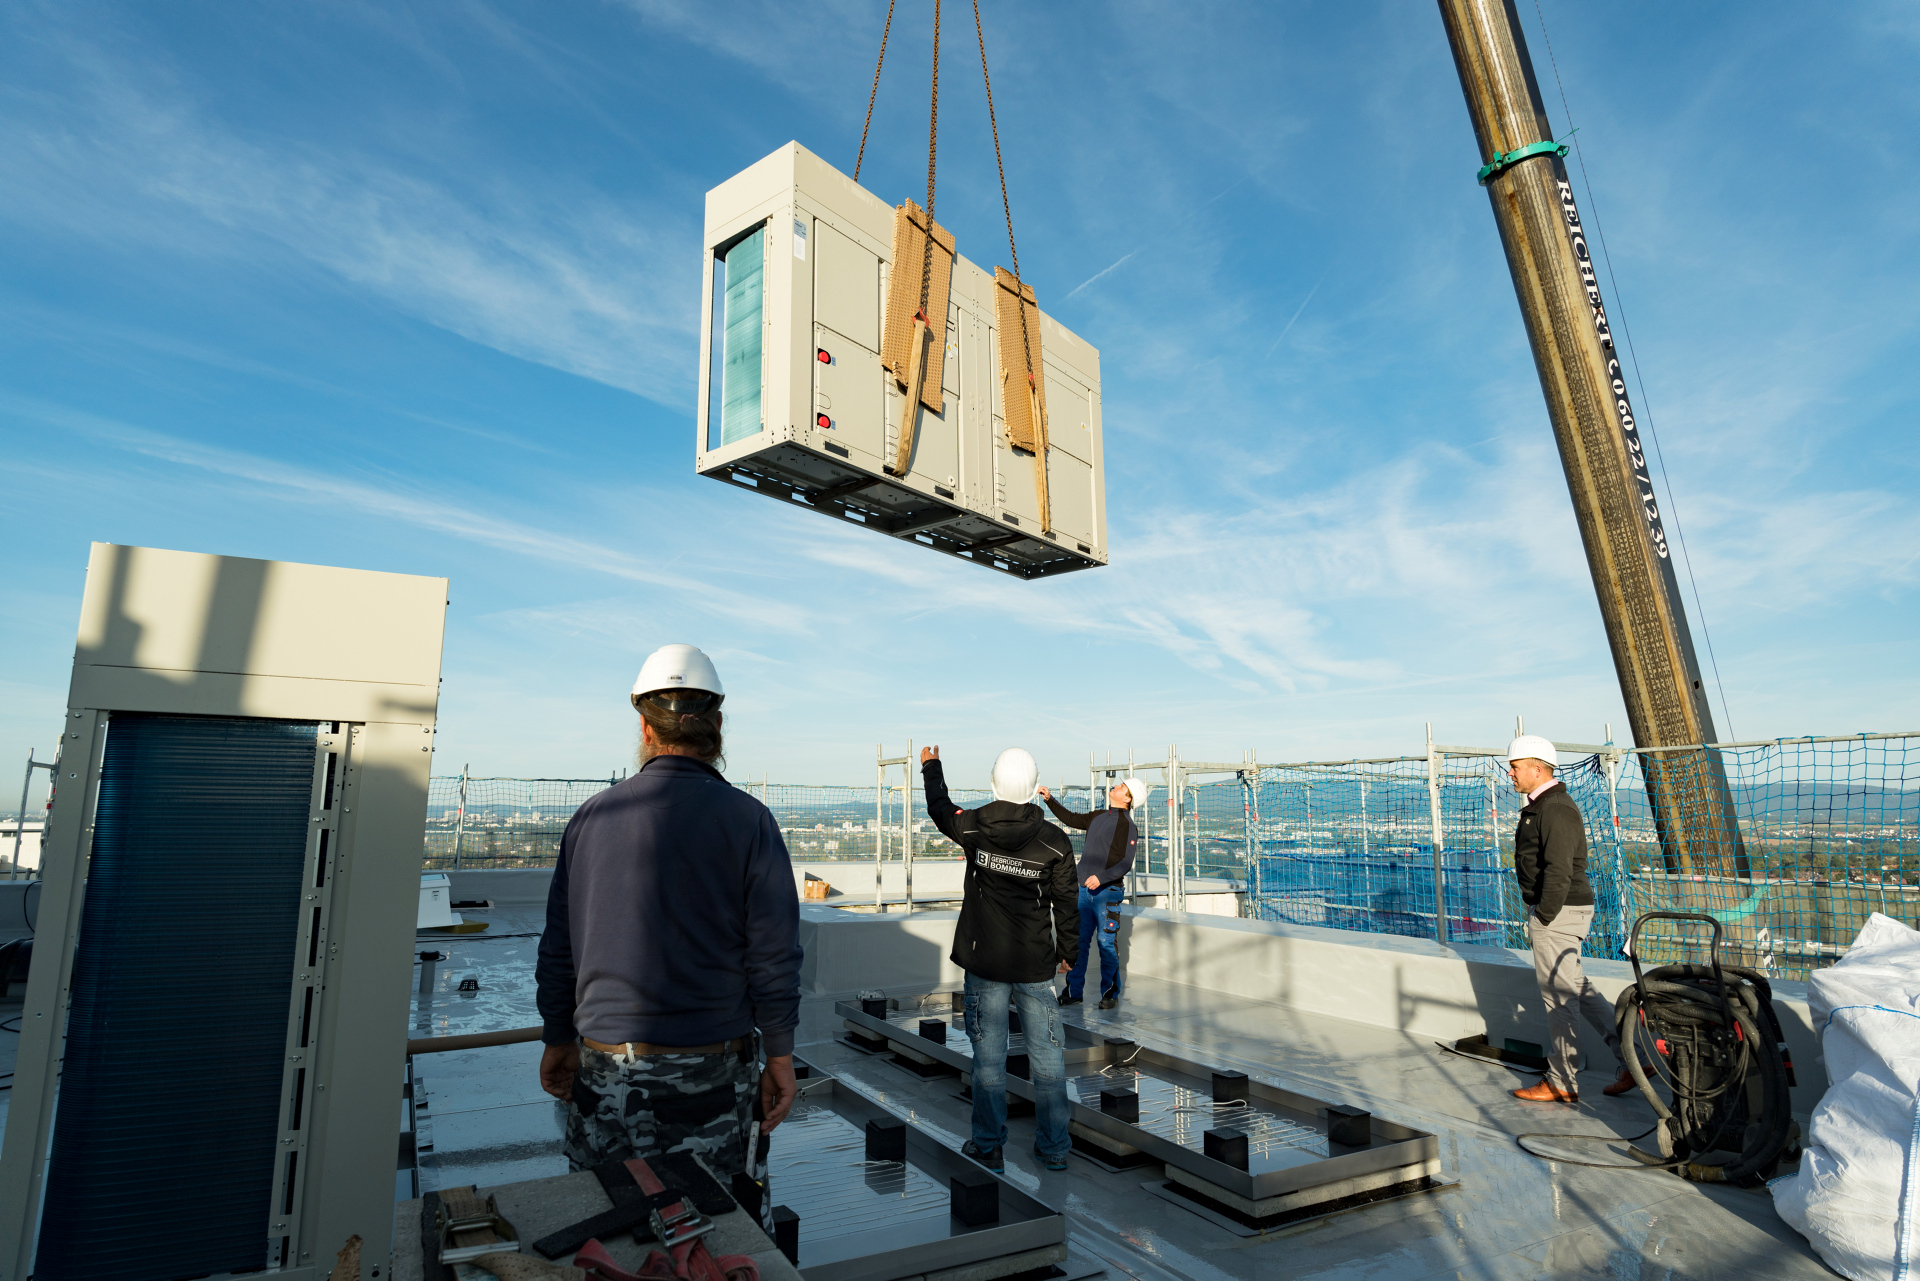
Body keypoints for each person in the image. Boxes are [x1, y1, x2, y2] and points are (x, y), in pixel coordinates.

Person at [535, 644, 803, 1180]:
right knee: (725, 1233)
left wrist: (558, 1037)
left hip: (604, 1066)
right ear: (717, 726)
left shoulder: (590, 819)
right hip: (714, 1072)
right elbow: (773, 957)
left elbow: (560, 947)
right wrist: (778, 1055)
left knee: (610, 1226)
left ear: (644, 728)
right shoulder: (750, 821)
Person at [920, 743, 1079, 1173]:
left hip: (984, 961)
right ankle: (1054, 1148)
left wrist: (931, 766)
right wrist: (1069, 953)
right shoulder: (1056, 843)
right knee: (1047, 1058)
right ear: (1032, 789)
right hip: (1034, 965)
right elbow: (1067, 903)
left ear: (994, 784)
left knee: (988, 1058)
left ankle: (988, 1145)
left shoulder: (973, 828)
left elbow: (940, 809)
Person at [1505, 734, 1635, 1103]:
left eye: (1515, 768)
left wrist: (1543, 915)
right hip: (1561, 911)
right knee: (1577, 989)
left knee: (1559, 998)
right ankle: (1636, 1058)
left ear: (1536, 768)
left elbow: (1559, 870)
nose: (1510, 775)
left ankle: (1562, 1080)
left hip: (1557, 913)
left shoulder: (1555, 808)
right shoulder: (1545, 805)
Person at [1037, 778, 1148, 1009]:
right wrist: (1049, 800)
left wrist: (1101, 877)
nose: (1115, 786)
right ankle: (1073, 992)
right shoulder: (1098, 816)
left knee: (1106, 943)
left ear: (1127, 798)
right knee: (1079, 943)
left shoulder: (1128, 825)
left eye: (1121, 787)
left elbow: (1126, 863)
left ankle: (1109, 994)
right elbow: (1070, 818)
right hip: (1083, 891)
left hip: (1108, 892)